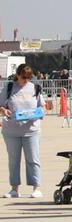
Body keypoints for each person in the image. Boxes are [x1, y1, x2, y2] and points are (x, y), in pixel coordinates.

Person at [1, 64, 44, 199]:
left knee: (33, 159)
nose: (26, 80)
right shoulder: (9, 88)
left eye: (28, 77)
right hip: (11, 131)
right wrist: (3, 110)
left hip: (31, 130)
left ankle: (36, 187)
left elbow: (41, 106)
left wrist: (41, 112)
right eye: (23, 77)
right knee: (13, 161)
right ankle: (14, 189)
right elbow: (1, 106)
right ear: (17, 75)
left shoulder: (35, 88)